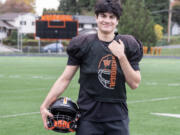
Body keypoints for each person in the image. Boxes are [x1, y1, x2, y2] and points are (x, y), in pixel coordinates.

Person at [40, 0, 143, 134]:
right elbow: (65, 79)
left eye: (111, 17)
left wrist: (122, 56)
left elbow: (134, 83)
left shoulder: (127, 44)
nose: (107, 20)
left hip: (117, 118)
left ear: (117, 20)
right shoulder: (82, 44)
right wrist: (45, 104)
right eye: (103, 16)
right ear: (96, 17)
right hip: (88, 118)